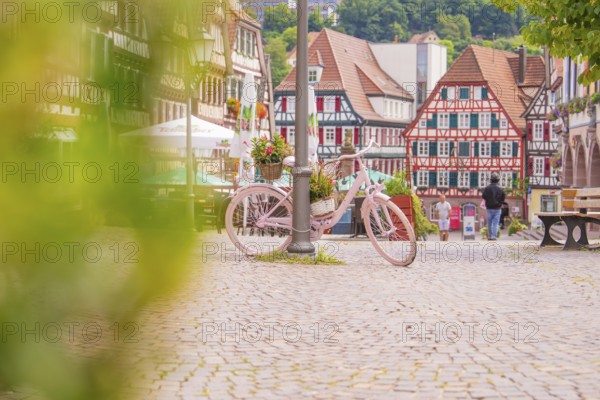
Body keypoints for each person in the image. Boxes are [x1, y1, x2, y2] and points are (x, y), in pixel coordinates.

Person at [482, 173, 506, 240]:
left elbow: (483, 196)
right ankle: (494, 236)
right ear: (498, 180)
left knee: (489, 223)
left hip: (489, 208)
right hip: (497, 208)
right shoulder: (501, 189)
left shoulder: (487, 188)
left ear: (491, 180)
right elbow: (503, 198)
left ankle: (489, 236)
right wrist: (500, 203)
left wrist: (488, 200)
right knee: (496, 223)